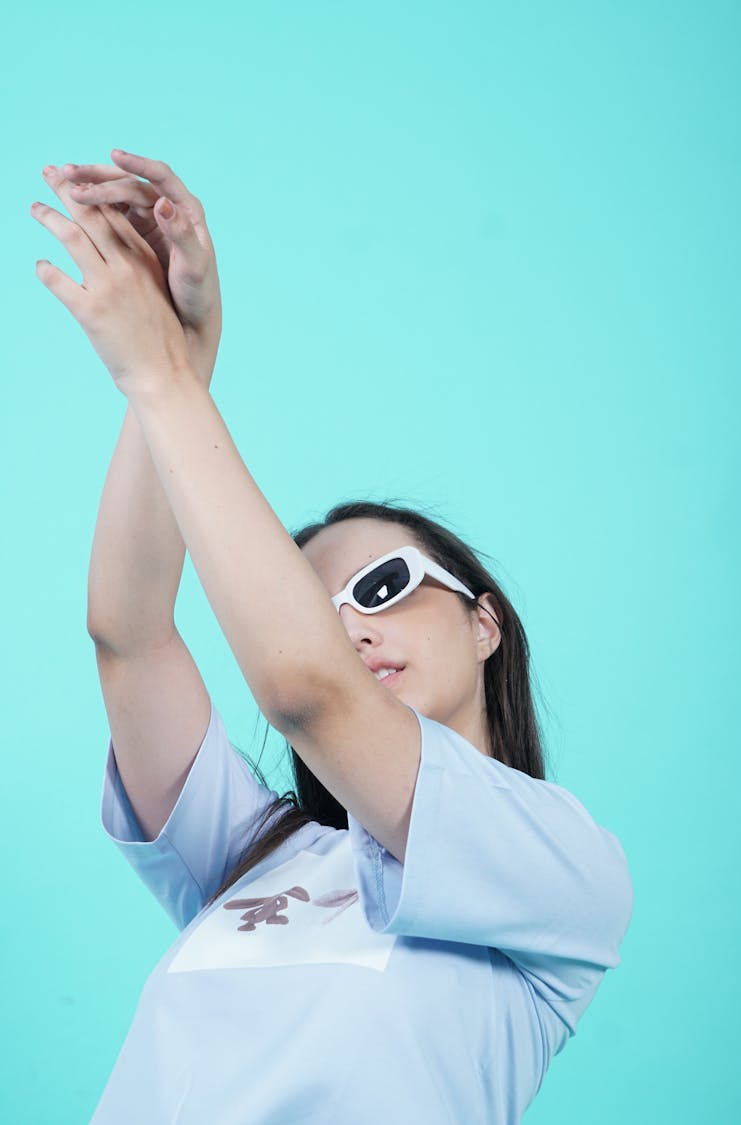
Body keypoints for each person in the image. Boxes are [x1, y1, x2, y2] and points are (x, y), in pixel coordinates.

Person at [32, 154, 634, 1125]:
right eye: (315, 607)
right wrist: (181, 365)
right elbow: (130, 637)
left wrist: (163, 375)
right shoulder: (252, 850)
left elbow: (309, 688)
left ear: (485, 621)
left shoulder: (561, 865)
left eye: (383, 586)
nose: (349, 625)